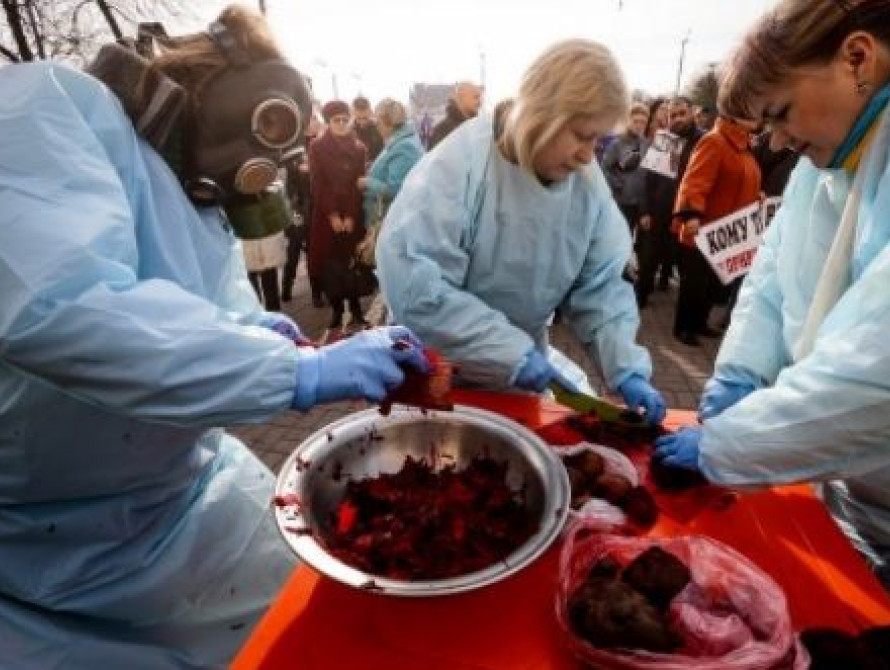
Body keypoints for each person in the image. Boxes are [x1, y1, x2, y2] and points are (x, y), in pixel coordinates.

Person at [0, 7, 428, 667]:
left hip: (168, 506)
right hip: (37, 544)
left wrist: (258, 333)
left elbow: (191, 308)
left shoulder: (188, 194)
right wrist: (295, 375)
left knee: (303, 622)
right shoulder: (48, 115)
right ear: (239, 103)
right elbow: (62, 307)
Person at [653, 0, 890, 589]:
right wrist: (740, 374)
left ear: (856, 58)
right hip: (845, 481)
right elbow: (770, 280)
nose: (778, 141)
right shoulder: (824, 168)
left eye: (780, 113)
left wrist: (729, 444)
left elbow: (877, 372)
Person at [377, 39, 666, 425]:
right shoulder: (459, 167)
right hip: (434, 373)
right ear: (542, 113)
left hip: (516, 377)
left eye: (596, 140)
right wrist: (509, 351)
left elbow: (600, 285)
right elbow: (418, 287)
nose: (587, 155)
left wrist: (624, 365)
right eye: (581, 135)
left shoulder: (586, 183)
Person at [670, 113, 761, 346]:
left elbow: (741, 182)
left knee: (712, 282)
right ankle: (683, 327)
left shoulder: (744, 146)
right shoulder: (715, 140)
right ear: (735, 114)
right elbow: (694, 180)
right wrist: (691, 214)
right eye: (751, 113)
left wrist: (757, 197)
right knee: (695, 282)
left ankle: (698, 322)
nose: (757, 118)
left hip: (727, 233)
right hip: (705, 228)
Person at [635, 96, 703, 307]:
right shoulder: (664, 140)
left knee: (687, 266)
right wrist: (645, 211)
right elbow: (648, 180)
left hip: (688, 213)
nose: (677, 119)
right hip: (659, 210)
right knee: (648, 259)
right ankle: (640, 297)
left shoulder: (705, 141)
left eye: (682, 113)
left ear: (692, 112)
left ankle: (686, 313)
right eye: (673, 115)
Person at [308, 99, 368, 330]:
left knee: (351, 261)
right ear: (329, 122)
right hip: (326, 214)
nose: (342, 124)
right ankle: (336, 310)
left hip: (351, 210)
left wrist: (351, 216)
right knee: (330, 264)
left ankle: (356, 310)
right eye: (336, 120)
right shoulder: (317, 147)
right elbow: (317, 185)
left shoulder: (359, 148)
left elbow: (358, 184)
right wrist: (333, 215)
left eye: (345, 119)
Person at [356, 98, 424, 265]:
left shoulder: (404, 147)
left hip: (388, 218)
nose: (376, 126)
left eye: (378, 122)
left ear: (388, 122)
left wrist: (368, 182)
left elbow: (395, 189)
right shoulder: (401, 140)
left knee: (388, 267)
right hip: (389, 216)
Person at [602, 102, 650, 235]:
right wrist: (619, 185)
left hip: (641, 204)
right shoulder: (616, 144)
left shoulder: (647, 144)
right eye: (636, 121)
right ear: (628, 121)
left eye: (643, 122)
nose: (639, 125)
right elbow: (604, 169)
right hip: (621, 203)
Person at [427, 80, 483, 150]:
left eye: (480, 97)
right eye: (475, 97)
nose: (480, 102)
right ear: (462, 97)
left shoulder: (476, 127)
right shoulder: (442, 130)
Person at [352, 95, 384, 164]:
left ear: (370, 112)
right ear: (353, 113)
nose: (362, 122)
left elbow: (385, 150)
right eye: (359, 119)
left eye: (365, 118)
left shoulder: (380, 127)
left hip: (377, 165)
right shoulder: (348, 131)